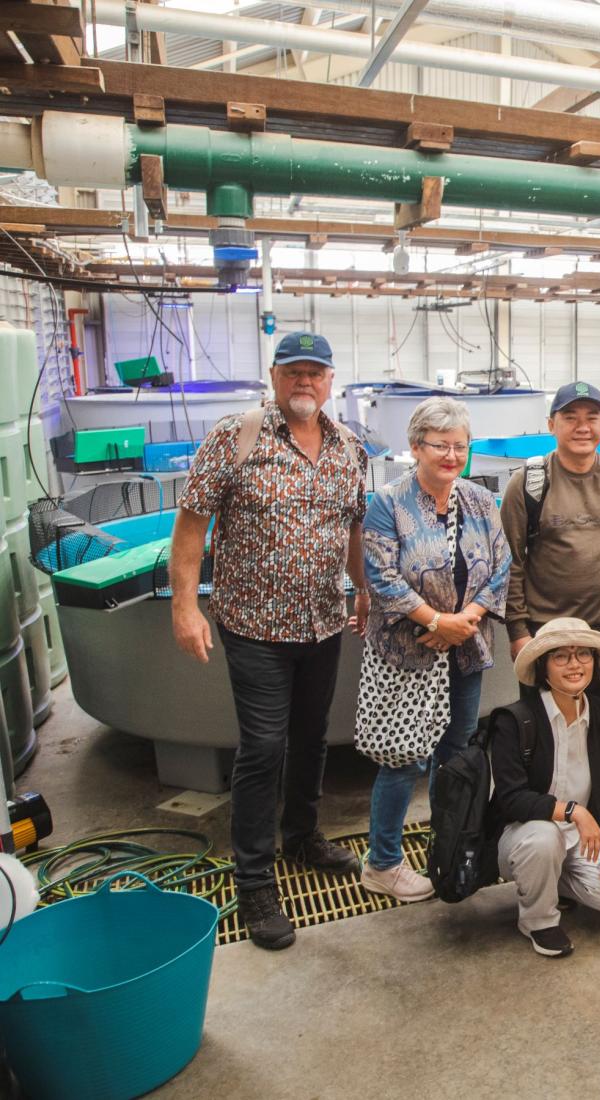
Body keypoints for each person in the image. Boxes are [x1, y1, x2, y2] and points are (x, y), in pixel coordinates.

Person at [169, 331, 368, 951]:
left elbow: (354, 527)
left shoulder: (349, 449)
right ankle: (253, 878)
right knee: (263, 747)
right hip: (253, 627)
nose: (304, 382)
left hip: (321, 621)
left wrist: (361, 589)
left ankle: (303, 835)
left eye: (316, 373)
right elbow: (191, 526)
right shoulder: (237, 435)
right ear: (275, 377)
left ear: (331, 381)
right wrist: (184, 608)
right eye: (293, 372)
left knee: (311, 739)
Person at [358, 398, 510, 902]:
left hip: (464, 651)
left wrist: (466, 621)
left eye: (459, 446)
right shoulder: (388, 503)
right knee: (403, 759)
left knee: (456, 753)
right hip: (409, 652)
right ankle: (382, 862)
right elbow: (380, 575)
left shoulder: (479, 502)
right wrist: (436, 621)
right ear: (415, 447)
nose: (450, 455)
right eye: (440, 445)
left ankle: (446, 844)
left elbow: (502, 566)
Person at [491, 618, 600, 958]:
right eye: (561, 656)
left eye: (583, 654)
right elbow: (512, 799)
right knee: (545, 839)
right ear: (543, 667)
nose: (575, 664)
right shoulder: (514, 719)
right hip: (525, 836)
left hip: (582, 839)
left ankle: (549, 883)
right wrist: (575, 812)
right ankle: (538, 920)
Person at [502, 381, 600, 704]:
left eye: (592, 417)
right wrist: (518, 632)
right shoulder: (528, 483)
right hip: (546, 631)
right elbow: (510, 563)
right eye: (570, 417)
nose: (582, 427)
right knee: (544, 726)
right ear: (551, 425)